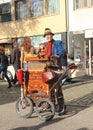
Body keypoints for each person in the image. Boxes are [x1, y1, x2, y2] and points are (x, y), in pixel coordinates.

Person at [43, 28, 66, 115]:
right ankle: (51, 105)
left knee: (57, 88)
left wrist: (57, 55)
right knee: (49, 89)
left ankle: (61, 106)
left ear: (52, 36)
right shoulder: (44, 45)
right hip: (47, 70)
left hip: (56, 69)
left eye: (49, 35)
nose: (48, 36)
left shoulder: (57, 43)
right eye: (46, 35)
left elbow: (62, 51)